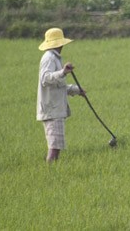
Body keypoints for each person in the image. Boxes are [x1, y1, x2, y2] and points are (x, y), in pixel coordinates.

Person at [37, 28, 85, 162]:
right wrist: (63, 72)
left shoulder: (54, 58)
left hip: (55, 109)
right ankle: (50, 173)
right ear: (59, 43)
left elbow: (58, 85)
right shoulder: (49, 58)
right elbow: (45, 79)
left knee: (56, 145)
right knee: (54, 147)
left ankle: (53, 171)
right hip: (52, 109)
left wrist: (77, 90)